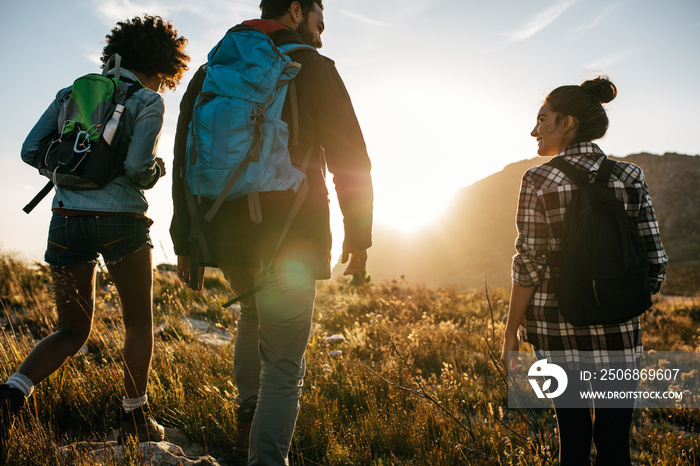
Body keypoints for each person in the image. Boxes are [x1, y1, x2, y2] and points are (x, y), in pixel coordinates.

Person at [170, 1, 373, 464]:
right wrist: (358, 234)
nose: (324, 24)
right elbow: (350, 158)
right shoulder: (313, 67)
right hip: (290, 235)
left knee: (253, 317)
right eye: (320, 12)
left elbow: (185, 159)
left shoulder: (211, 70)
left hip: (223, 232)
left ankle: (247, 423)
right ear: (297, 10)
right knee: (284, 366)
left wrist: (187, 243)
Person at [1, 14, 189, 449]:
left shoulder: (73, 93)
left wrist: (68, 172)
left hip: (65, 221)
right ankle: (135, 420)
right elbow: (139, 171)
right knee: (138, 323)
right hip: (121, 223)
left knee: (72, 331)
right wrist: (156, 170)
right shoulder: (147, 101)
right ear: (162, 66)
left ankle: (12, 393)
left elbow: (31, 148)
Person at [500, 76, 667, 465]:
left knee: (572, 439)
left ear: (567, 123)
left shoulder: (538, 179)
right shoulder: (630, 176)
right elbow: (655, 260)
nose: (534, 130)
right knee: (615, 442)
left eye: (543, 119)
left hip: (557, 328)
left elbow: (528, 263)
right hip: (620, 328)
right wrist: (619, 299)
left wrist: (511, 331)